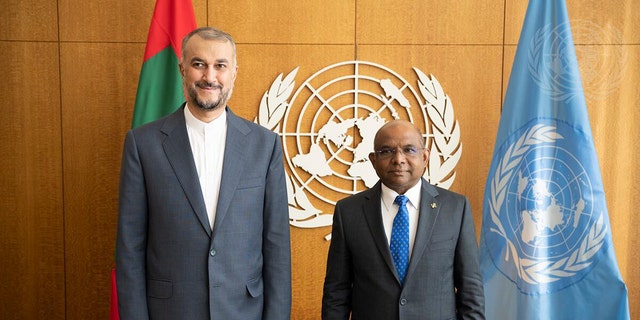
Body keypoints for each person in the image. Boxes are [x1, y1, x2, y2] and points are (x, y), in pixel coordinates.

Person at [116, 27, 291, 320]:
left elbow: (276, 249)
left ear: (234, 72)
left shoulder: (265, 145)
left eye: (220, 66)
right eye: (199, 64)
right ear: (182, 68)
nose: (210, 77)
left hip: (244, 312)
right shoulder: (142, 144)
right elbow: (129, 249)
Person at [322, 120, 485, 320]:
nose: (398, 159)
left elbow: (471, 289)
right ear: (373, 160)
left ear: (425, 157)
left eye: (409, 150)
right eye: (386, 151)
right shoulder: (349, 211)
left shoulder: (455, 208)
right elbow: (336, 292)